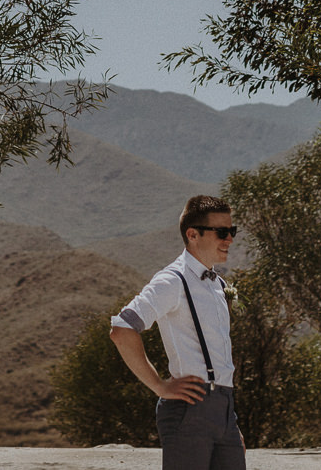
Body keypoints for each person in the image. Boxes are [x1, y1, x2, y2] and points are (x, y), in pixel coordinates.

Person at [110, 194, 245, 470]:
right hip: (189, 411)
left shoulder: (217, 283)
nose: (229, 239)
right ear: (193, 234)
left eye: (231, 231)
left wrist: (228, 421)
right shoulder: (173, 280)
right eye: (221, 232)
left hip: (224, 411)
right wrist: (159, 386)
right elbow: (122, 330)